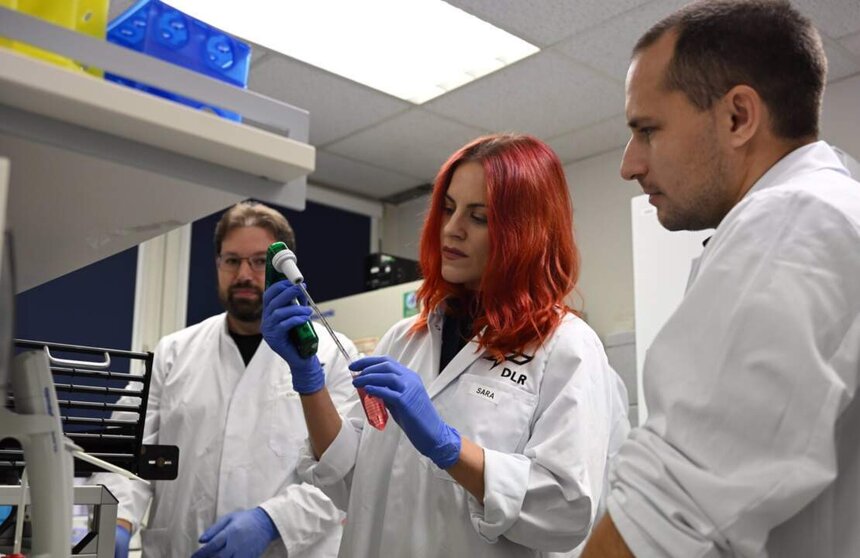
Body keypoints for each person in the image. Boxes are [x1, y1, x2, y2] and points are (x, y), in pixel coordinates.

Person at [262, 133, 631, 557]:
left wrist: (447, 446)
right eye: (449, 209)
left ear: (525, 231)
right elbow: (350, 481)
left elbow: (564, 512)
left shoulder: (567, 346)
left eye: (479, 217)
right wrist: (309, 380)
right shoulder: (405, 338)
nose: (452, 230)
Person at [581, 1, 860, 556]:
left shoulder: (791, 222)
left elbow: (666, 515)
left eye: (647, 130)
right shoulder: (827, 209)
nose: (629, 164)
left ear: (737, 117)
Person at [91, 201, 358, 558]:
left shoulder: (330, 354)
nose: (244, 274)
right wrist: (117, 523)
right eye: (232, 260)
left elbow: (345, 471)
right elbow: (124, 456)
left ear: (285, 267)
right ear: (218, 264)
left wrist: (271, 520)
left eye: (260, 261)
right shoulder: (172, 354)